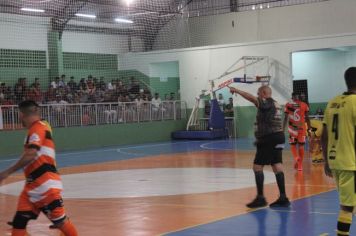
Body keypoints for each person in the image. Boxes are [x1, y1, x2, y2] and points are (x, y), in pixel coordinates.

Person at [0, 100, 78, 236]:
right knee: (18, 223)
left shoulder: (39, 128)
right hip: (31, 187)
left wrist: (6, 172)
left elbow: (31, 153)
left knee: (61, 222)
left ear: (22, 115)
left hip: (45, 186)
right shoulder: (34, 130)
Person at [228, 85, 290, 208]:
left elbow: (252, 99)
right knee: (277, 165)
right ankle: (283, 197)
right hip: (278, 136)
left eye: (258, 93)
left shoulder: (266, 101)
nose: (257, 96)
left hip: (269, 137)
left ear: (263, 93)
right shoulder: (276, 104)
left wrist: (238, 91)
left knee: (257, 166)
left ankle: (260, 198)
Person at [321, 67, 356, 236]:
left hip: (335, 161)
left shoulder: (332, 102)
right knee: (348, 206)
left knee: (348, 203)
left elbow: (324, 135)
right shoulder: (355, 102)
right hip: (351, 162)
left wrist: (326, 161)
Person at [283, 92, 311, 171]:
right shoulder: (304, 105)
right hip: (302, 128)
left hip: (292, 129)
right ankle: (300, 166)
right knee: (301, 146)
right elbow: (307, 118)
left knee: (293, 145)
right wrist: (309, 128)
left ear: (292, 97)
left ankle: (296, 158)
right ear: (298, 97)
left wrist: (282, 129)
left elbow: (285, 118)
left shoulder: (288, 105)